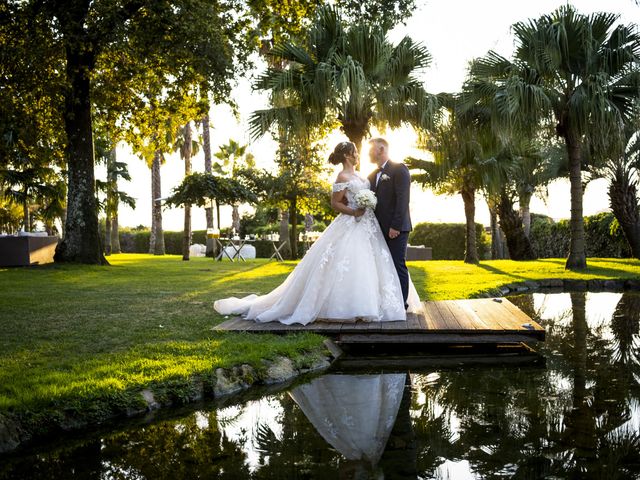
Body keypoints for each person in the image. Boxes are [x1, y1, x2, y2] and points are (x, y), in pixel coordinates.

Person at [213, 140, 421, 325]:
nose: (359, 155)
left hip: (369, 226)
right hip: (352, 223)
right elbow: (335, 203)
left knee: (377, 264)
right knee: (349, 263)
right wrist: (354, 211)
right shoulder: (343, 175)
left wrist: (369, 210)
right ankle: (347, 306)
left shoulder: (365, 175)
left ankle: (383, 303)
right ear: (348, 156)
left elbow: (392, 198)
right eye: (356, 152)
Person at [366, 138, 412, 309]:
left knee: (397, 263)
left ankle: (401, 304)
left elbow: (403, 200)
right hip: (377, 230)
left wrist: (396, 226)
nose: (368, 153)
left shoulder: (399, 169)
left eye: (370, 150)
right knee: (381, 266)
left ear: (381, 149)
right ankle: (385, 302)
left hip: (396, 229)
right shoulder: (371, 176)